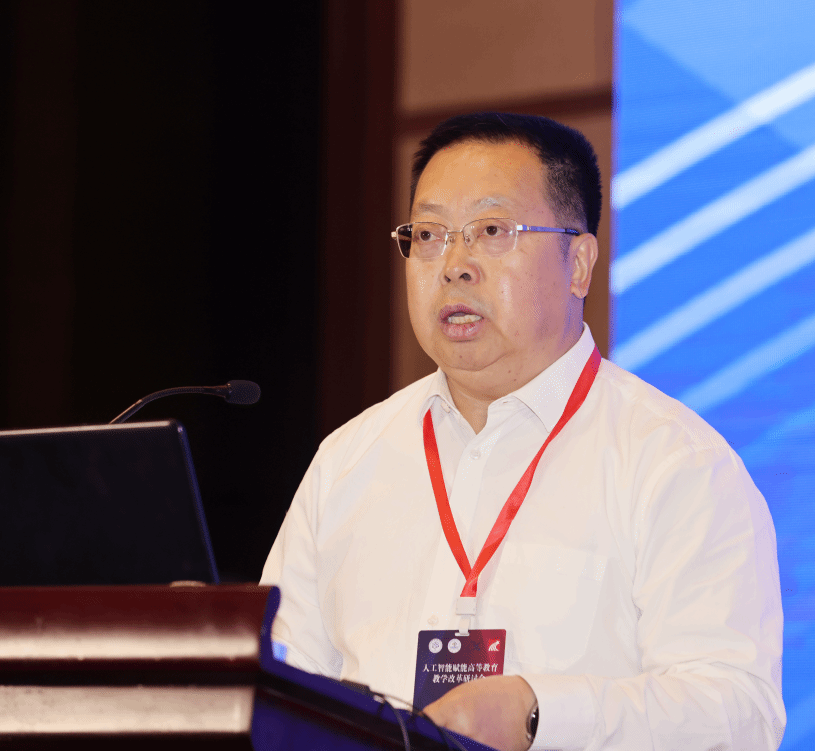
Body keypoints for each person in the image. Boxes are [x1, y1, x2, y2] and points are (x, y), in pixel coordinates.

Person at [260, 112, 785, 751]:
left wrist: (540, 713)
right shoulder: (347, 460)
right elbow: (278, 689)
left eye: (491, 231)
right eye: (429, 235)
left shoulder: (675, 461)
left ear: (579, 264)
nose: (454, 264)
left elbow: (737, 714)